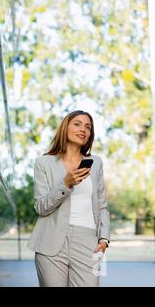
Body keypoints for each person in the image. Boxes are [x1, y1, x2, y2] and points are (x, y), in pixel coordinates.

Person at [28, 110, 110, 287]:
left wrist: (104, 239)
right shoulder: (44, 163)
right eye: (77, 124)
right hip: (50, 240)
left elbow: (102, 204)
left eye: (88, 127)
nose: (83, 129)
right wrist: (66, 183)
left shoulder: (96, 163)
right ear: (65, 128)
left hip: (88, 241)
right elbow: (41, 207)